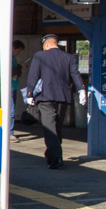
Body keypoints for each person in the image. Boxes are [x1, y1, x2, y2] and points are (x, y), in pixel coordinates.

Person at [26, 35, 85, 169]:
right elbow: (75, 75)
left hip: (46, 97)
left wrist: (29, 93)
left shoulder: (40, 55)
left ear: (46, 45)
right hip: (63, 97)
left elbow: (33, 75)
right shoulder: (68, 57)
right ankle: (51, 154)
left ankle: (57, 157)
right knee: (57, 126)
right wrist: (81, 90)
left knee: (50, 128)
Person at [10, 40, 25, 142]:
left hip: (13, 85)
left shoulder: (13, 58)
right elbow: (11, 72)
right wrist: (20, 67)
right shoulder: (8, 58)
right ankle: (10, 132)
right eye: (18, 51)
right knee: (11, 110)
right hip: (9, 86)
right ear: (13, 48)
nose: (18, 53)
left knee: (12, 108)